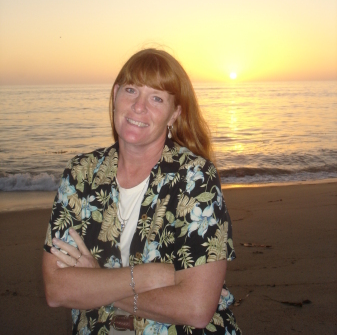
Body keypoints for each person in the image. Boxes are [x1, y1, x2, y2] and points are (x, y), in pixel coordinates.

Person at [43, 48, 241, 335]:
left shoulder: (194, 178)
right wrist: (147, 277)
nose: (138, 106)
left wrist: (97, 280)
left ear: (174, 114)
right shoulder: (80, 174)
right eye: (131, 90)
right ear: (115, 95)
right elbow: (57, 289)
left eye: (156, 98)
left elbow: (196, 308)